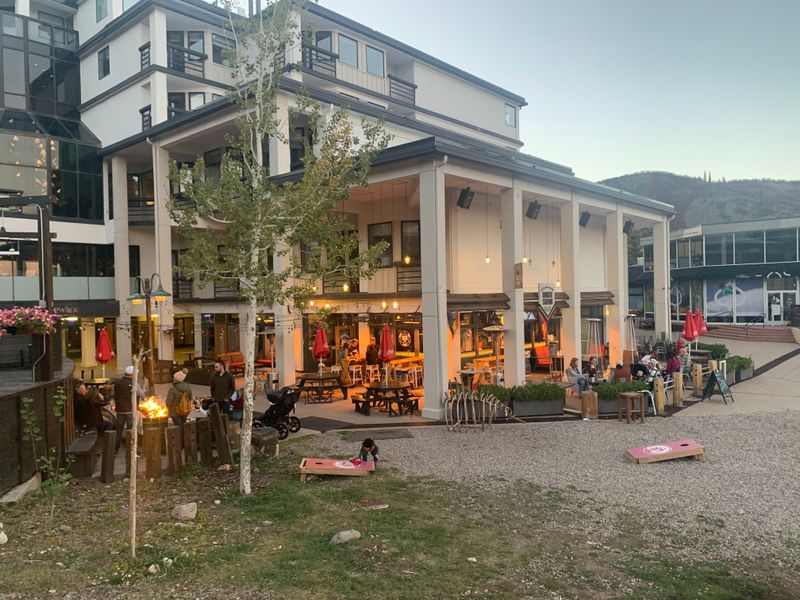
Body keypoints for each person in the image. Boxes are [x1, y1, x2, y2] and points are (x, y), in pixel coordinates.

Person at [112, 365, 145, 452]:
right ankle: (130, 448)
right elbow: (142, 395)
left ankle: (115, 449)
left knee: (119, 429)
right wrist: (143, 387)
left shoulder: (117, 383)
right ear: (132, 374)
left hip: (120, 410)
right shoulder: (134, 383)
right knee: (131, 430)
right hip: (131, 410)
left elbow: (113, 394)